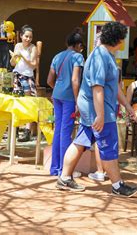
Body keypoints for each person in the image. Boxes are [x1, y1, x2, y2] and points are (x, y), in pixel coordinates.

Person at [56, 21, 137, 197]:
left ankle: (64, 177)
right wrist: (100, 115)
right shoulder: (100, 57)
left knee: (80, 142)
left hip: (94, 108)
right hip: (98, 110)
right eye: (122, 39)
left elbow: (114, 88)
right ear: (116, 39)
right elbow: (97, 88)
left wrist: (128, 107)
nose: (124, 43)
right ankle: (117, 185)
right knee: (108, 146)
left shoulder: (106, 55)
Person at [47, 28, 84, 177]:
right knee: (66, 132)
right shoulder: (78, 57)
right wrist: (77, 100)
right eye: (81, 46)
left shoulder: (57, 56)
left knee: (58, 130)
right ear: (78, 45)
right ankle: (65, 170)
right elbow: (75, 80)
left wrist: (58, 88)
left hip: (57, 95)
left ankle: (55, 168)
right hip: (69, 97)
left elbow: (49, 80)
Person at [10, 25, 38, 142]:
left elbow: (33, 64)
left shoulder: (33, 48)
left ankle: (27, 130)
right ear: (21, 36)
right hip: (17, 75)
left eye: (30, 37)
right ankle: (15, 129)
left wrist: (23, 56)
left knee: (28, 102)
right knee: (16, 101)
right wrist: (14, 57)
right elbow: (13, 63)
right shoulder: (17, 45)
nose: (28, 39)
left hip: (28, 77)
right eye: (26, 36)